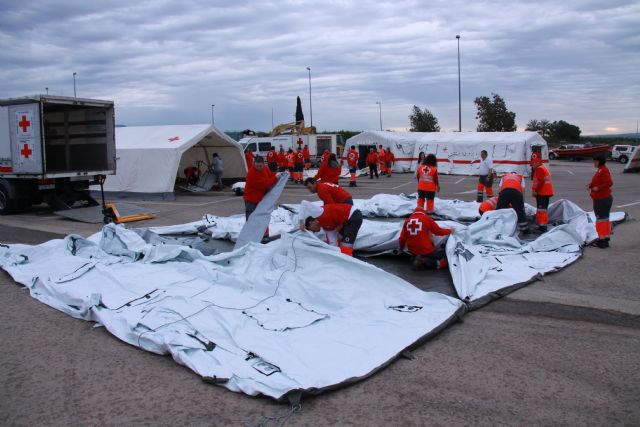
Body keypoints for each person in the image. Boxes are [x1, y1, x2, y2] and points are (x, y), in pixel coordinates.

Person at [299, 200, 363, 256]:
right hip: (346, 221)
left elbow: (304, 203)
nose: (315, 232)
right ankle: (345, 256)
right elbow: (333, 242)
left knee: (346, 244)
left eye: (312, 230)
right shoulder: (326, 227)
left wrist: (301, 221)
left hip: (353, 215)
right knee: (341, 239)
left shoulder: (318, 213)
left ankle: (348, 262)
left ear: (311, 223)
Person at [244, 156, 278, 239]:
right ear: (254, 164)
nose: (259, 168)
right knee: (252, 219)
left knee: (263, 217)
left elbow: (270, 175)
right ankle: (250, 236)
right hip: (251, 200)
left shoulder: (265, 169)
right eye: (257, 166)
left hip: (261, 199)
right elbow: (265, 184)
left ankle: (264, 235)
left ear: (263, 164)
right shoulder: (252, 173)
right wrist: (276, 178)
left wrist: (277, 174)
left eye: (260, 166)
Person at [588, 154, 613, 248]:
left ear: (598, 161)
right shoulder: (601, 170)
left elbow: (609, 182)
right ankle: (605, 237)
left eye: (595, 161)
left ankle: (602, 240)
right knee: (605, 219)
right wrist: (591, 185)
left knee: (600, 219)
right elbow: (599, 181)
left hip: (601, 199)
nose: (594, 163)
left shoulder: (603, 170)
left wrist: (597, 188)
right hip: (604, 198)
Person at [531, 155, 554, 232]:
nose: (532, 166)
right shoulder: (543, 168)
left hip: (542, 193)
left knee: (541, 210)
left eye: (533, 164)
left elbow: (540, 182)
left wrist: (534, 190)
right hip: (545, 192)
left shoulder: (539, 169)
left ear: (537, 163)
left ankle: (542, 227)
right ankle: (542, 225)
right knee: (543, 209)